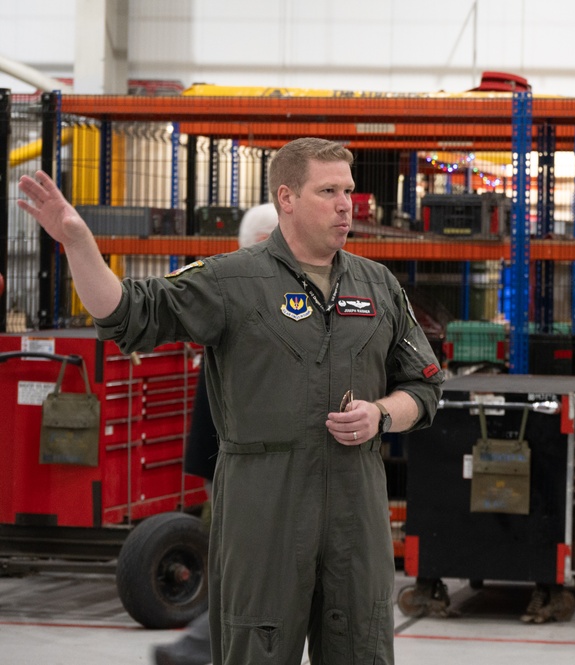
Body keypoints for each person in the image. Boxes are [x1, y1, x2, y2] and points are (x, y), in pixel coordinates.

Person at [18, 137, 445, 665]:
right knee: (255, 650)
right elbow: (127, 314)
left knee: (364, 648)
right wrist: (78, 243)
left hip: (356, 511)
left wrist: (382, 414)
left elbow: (426, 387)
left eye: (349, 191)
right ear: (286, 198)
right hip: (264, 509)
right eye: (328, 190)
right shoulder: (232, 281)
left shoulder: (377, 285)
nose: (345, 205)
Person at [152, 203, 280, 665]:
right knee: (253, 565)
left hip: (238, 455)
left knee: (251, 564)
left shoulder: (240, 285)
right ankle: (197, 647)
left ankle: (203, 647)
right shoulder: (244, 289)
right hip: (238, 458)